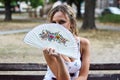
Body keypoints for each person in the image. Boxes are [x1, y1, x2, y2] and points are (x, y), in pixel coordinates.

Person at [43, 4, 90, 80]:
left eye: (62, 22)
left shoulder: (83, 44)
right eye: (54, 22)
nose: (57, 26)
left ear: (71, 23)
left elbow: (83, 76)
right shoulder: (49, 47)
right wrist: (58, 57)